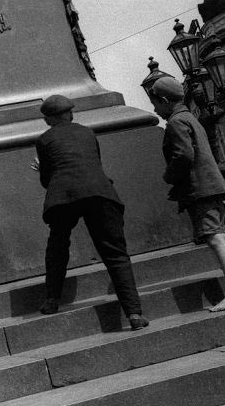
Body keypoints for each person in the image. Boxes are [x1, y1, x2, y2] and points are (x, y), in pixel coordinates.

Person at [31, 94, 148, 329]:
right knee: (115, 254)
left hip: (64, 196)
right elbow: (94, 165)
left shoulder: (44, 140)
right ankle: (134, 314)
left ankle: (52, 299)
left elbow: (47, 180)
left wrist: (42, 169)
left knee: (58, 247)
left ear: (48, 120)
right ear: (71, 113)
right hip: (100, 193)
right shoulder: (87, 133)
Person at [146, 77, 225, 312]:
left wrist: (169, 176)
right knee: (221, 237)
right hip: (213, 186)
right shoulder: (190, 117)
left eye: (155, 104)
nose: (155, 110)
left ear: (164, 100)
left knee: (215, 238)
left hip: (200, 189)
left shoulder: (175, 122)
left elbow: (183, 156)